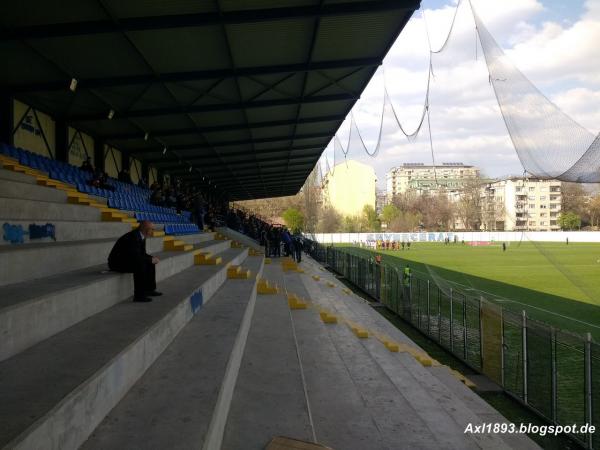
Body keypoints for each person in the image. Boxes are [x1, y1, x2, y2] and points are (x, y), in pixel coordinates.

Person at [108, 221, 162, 302]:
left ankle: (149, 290)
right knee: (141, 264)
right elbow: (135, 256)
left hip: (128, 260)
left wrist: (151, 258)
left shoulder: (141, 236)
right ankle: (139, 296)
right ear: (146, 230)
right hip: (117, 263)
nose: (153, 231)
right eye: (152, 229)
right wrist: (150, 259)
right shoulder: (132, 237)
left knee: (150, 262)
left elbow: (142, 254)